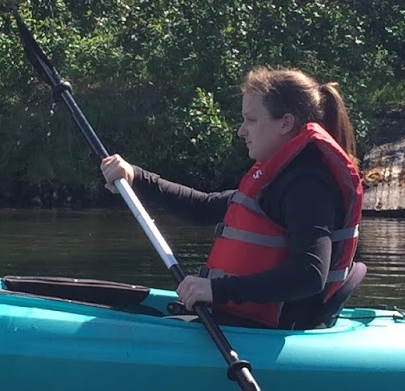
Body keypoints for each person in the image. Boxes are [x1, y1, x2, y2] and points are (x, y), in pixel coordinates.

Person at [100, 68, 365, 329]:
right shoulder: (278, 179)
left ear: (285, 123)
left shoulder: (308, 186)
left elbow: (310, 274)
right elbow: (203, 208)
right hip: (240, 321)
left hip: (267, 332)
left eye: (251, 120)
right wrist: (136, 176)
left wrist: (217, 289)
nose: (241, 131)